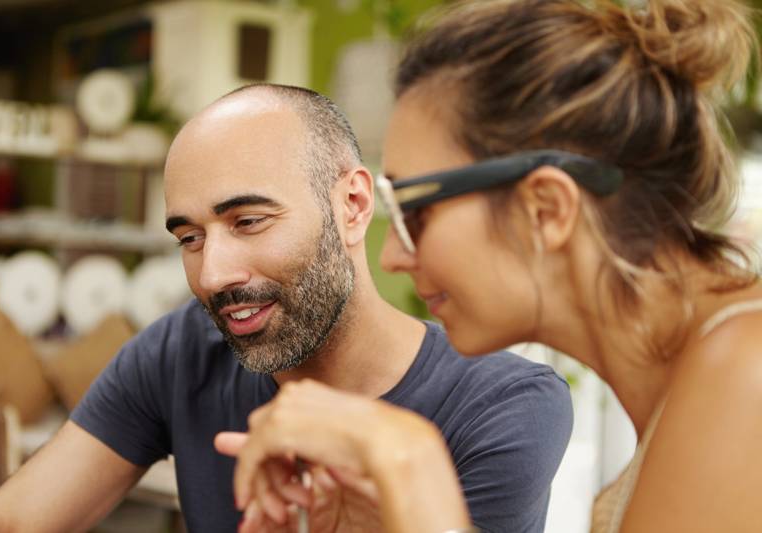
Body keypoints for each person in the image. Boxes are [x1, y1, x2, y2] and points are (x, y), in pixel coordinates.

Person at [219, 1, 762, 532]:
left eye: (413, 211)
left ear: (545, 209)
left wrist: (410, 461)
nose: (392, 257)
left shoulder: (745, 373)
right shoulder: (703, 382)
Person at [0, 84, 573, 533]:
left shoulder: (502, 405)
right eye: (189, 238)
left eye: (249, 221)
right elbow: (5, 523)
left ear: (354, 206)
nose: (212, 275)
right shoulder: (178, 353)